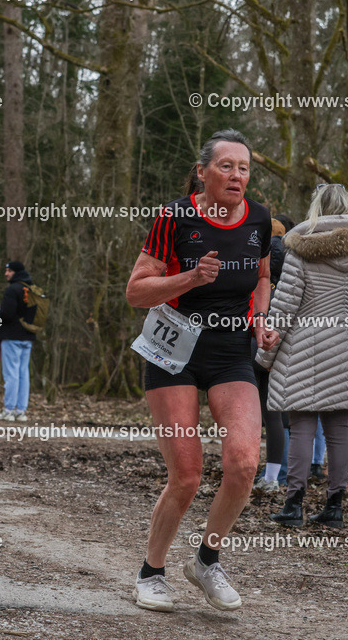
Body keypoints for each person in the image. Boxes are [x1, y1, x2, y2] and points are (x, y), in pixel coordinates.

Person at [126, 128, 274, 612]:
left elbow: (264, 275)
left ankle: (207, 560)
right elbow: (136, 292)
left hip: (231, 352)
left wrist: (260, 321)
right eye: (226, 166)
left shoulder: (259, 219)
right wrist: (191, 277)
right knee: (187, 475)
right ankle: (151, 572)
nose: (236, 176)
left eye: (244, 167)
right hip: (174, 351)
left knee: (245, 463)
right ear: (203, 171)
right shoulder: (174, 217)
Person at [260, 183, 348, 530]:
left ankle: (294, 503)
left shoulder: (301, 250)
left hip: (302, 347)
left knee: (301, 427)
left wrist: (266, 351)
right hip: (347, 345)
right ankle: (334, 505)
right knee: (339, 427)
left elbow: (283, 308)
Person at [253, 217, 289, 493]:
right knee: (273, 412)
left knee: (252, 413)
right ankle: (273, 475)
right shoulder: (290, 277)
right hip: (278, 346)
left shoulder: (256, 277)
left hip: (252, 345)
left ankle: (249, 467)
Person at [0, 261, 37, 422]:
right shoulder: (31, 290)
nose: (6, 273)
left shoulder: (12, 290)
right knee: (23, 374)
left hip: (12, 337)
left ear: (16, 273)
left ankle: (9, 409)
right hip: (28, 337)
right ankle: (21, 410)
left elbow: (7, 314)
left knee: (11, 374)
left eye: (9, 271)